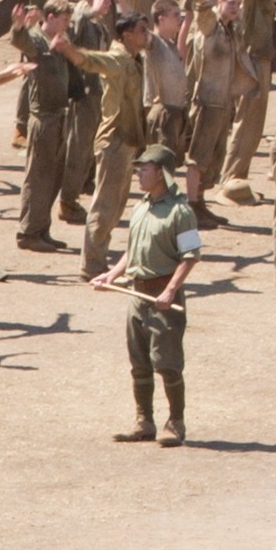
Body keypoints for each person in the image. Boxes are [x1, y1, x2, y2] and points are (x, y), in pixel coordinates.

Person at [105, 147, 201, 445]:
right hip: (137, 294)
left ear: (161, 173)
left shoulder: (181, 212)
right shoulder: (140, 207)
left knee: (167, 363)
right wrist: (112, 275)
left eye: (144, 169)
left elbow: (190, 256)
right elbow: (131, 250)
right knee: (140, 363)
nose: (138, 174)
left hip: (163, 297)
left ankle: (176, 423)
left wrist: (170, 290)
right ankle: (144, 421)